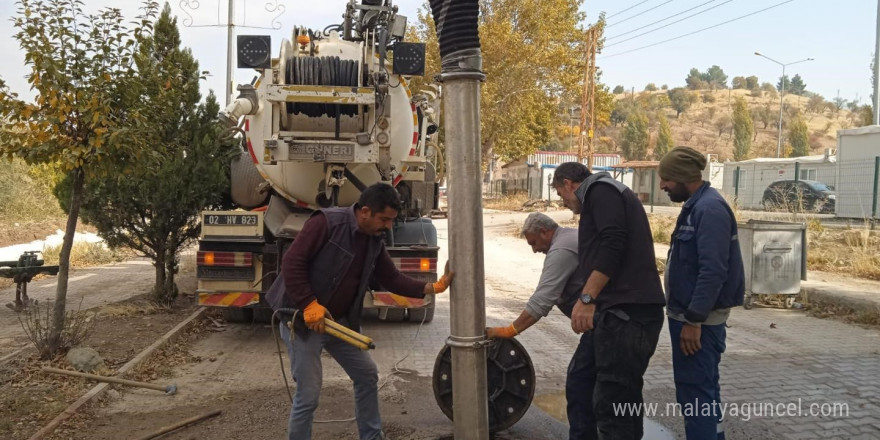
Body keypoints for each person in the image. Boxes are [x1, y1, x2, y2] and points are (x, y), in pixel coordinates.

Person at [265, 183, 454, 440]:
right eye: (384, 219)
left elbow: (391, 278)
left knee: (366, 375)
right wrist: (309, 303)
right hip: (302, 320)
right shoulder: (328, 223)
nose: (388, 226)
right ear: (365, 211)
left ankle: (371, 436)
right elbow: (292, 262)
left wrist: (431, 288)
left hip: (338, 322)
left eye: (391, 220)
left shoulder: (373, 240)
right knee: (308, 395)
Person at [552, 162, 666, 440]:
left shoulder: (601, 191)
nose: (563, 202)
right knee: (581, 381)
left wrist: (587, 297)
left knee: (614, 400)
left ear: (569, 183)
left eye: (560, 194)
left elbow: (614, 242)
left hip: (629, 316)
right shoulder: (599, 197)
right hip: (612, 314)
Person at [658, 147, 744, 440]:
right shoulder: (696, 205)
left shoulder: (709, 210)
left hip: (698, 322)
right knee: (701, 390)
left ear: (683, 177)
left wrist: (694, 321)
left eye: (666, 178)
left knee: (696, 394)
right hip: (690, 317)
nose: (662, 186)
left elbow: (713, 271)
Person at [485, 212, 583, 338]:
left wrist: (509, 331)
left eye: (534, 243)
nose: (534, 250)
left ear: (544, 232)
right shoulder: (568, 235)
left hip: (607, 320)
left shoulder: (561, 250)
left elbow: (542, 299)